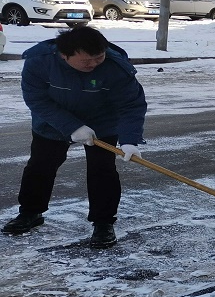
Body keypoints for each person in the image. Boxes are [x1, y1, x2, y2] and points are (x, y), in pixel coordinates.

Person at [2, 27, 147, 249]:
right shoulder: (39, 61)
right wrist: (72, 126)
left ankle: (103, 223)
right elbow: (36, 99)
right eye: (87, 61)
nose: (94, 64)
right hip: (53, 121)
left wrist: (129, 140)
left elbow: (131, 104)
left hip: (102, 122)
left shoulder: (116, 67)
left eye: (99, 58)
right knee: (41, 165)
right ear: (64, 55)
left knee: (102, 170)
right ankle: (31, 212)